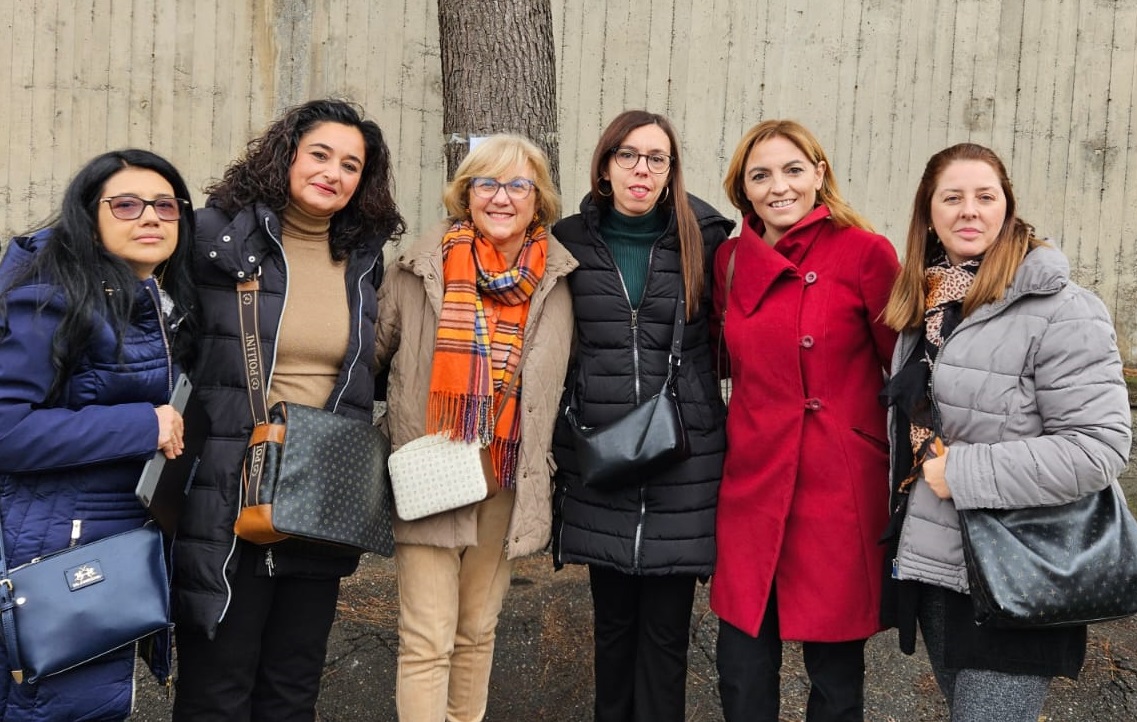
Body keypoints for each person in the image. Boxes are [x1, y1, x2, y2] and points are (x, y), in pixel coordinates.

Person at [879, 142, 1132, 721]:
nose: (969, 210)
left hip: (1023, 572)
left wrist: (960, 474)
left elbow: (1099, 448)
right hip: (942, 573)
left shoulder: (1063, 309)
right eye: (953, 197)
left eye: (985, 196)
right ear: (929, 213)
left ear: (1007, 208)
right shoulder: (926, 307)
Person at [170, 99, 405, 721]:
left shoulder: (361, 258)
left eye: (351, 165)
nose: (334, 173)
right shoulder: (215, 237)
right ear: (287, 155)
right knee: (218, 690)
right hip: (229, 483)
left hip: (318, 486)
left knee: (293, 687)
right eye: (320, 154)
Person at [375, 133, 574, 722]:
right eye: (486, 183)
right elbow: (372, 357)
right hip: (433, 468)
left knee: (476, 630)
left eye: (518, 184)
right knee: (427, 637)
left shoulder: (560, 277)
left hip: (506, 476)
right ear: (466, 194)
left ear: (538, 199)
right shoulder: (421, 265)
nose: (502, 197)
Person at [711, 120, 900, 722]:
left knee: (836, 675)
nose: (778, 187)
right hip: (753, 477)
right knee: (741, 665)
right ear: (743, 189)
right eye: (760, 175)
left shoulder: (866, 251)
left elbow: (899, 365)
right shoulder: (731, 260)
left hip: (836, 485)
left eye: (793, 170)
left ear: (819, 173)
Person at [0, 149, 198, 720]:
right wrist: (144, 423)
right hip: (58, 551)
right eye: (127, 204)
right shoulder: (51, 297)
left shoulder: (151, 300)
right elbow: (7, 428)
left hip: (107, 541)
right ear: (91, 217)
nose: (151, 217)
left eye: (166, 205)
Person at [550, 109, 733, 722]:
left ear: (671, 171)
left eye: (657, 158)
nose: (642, 169)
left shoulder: (705, 239)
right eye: (628, 155)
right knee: (612, 629)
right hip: (602, 450)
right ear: (604, 165)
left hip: (686, 452)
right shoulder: (567, 241)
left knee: (665, 635)